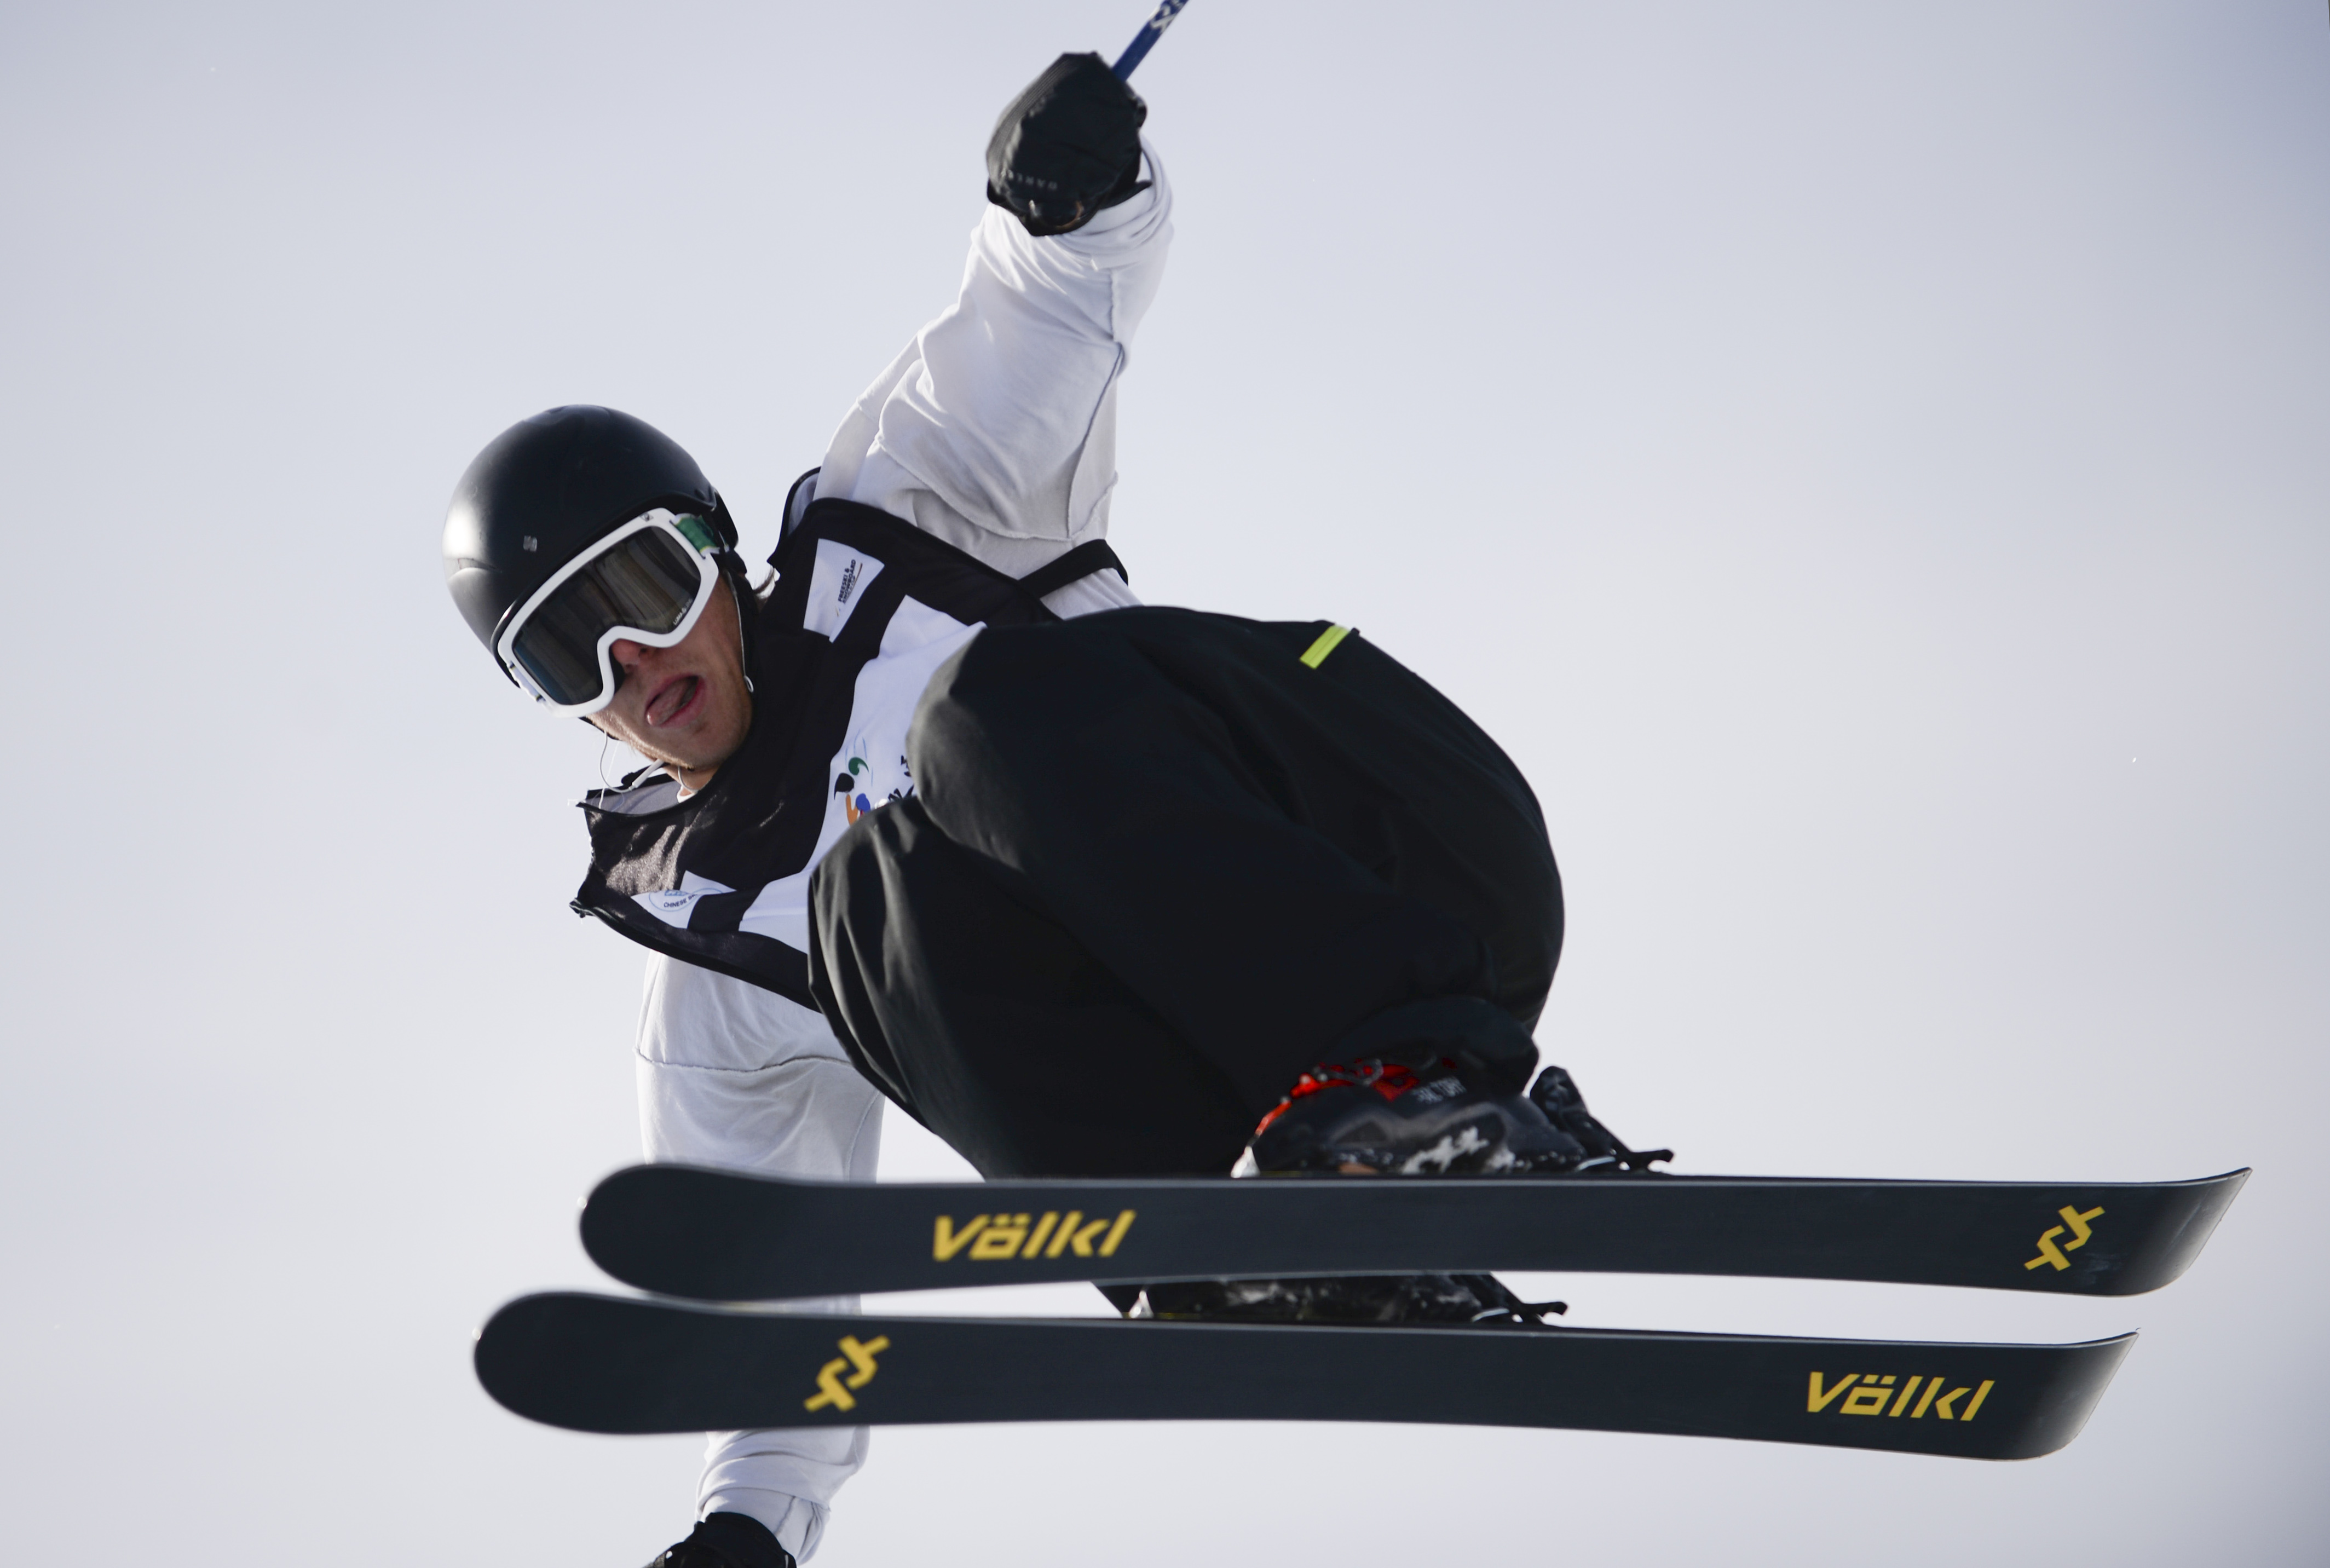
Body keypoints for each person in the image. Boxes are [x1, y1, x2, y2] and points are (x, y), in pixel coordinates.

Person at [443, 52, 1657, 1568]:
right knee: (871, 901)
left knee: (979, 719)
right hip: (1221, 1093)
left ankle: (1406, 1088)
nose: (636, 662)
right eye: (573, 656)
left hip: (1398, 855)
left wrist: (1067, 192)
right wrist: (746, 1531)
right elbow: (772, 1300)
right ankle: (1245, 1255)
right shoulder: (712, 967)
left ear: (714, 549)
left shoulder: (907, 503)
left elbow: (1044, 302)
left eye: (646, 589)